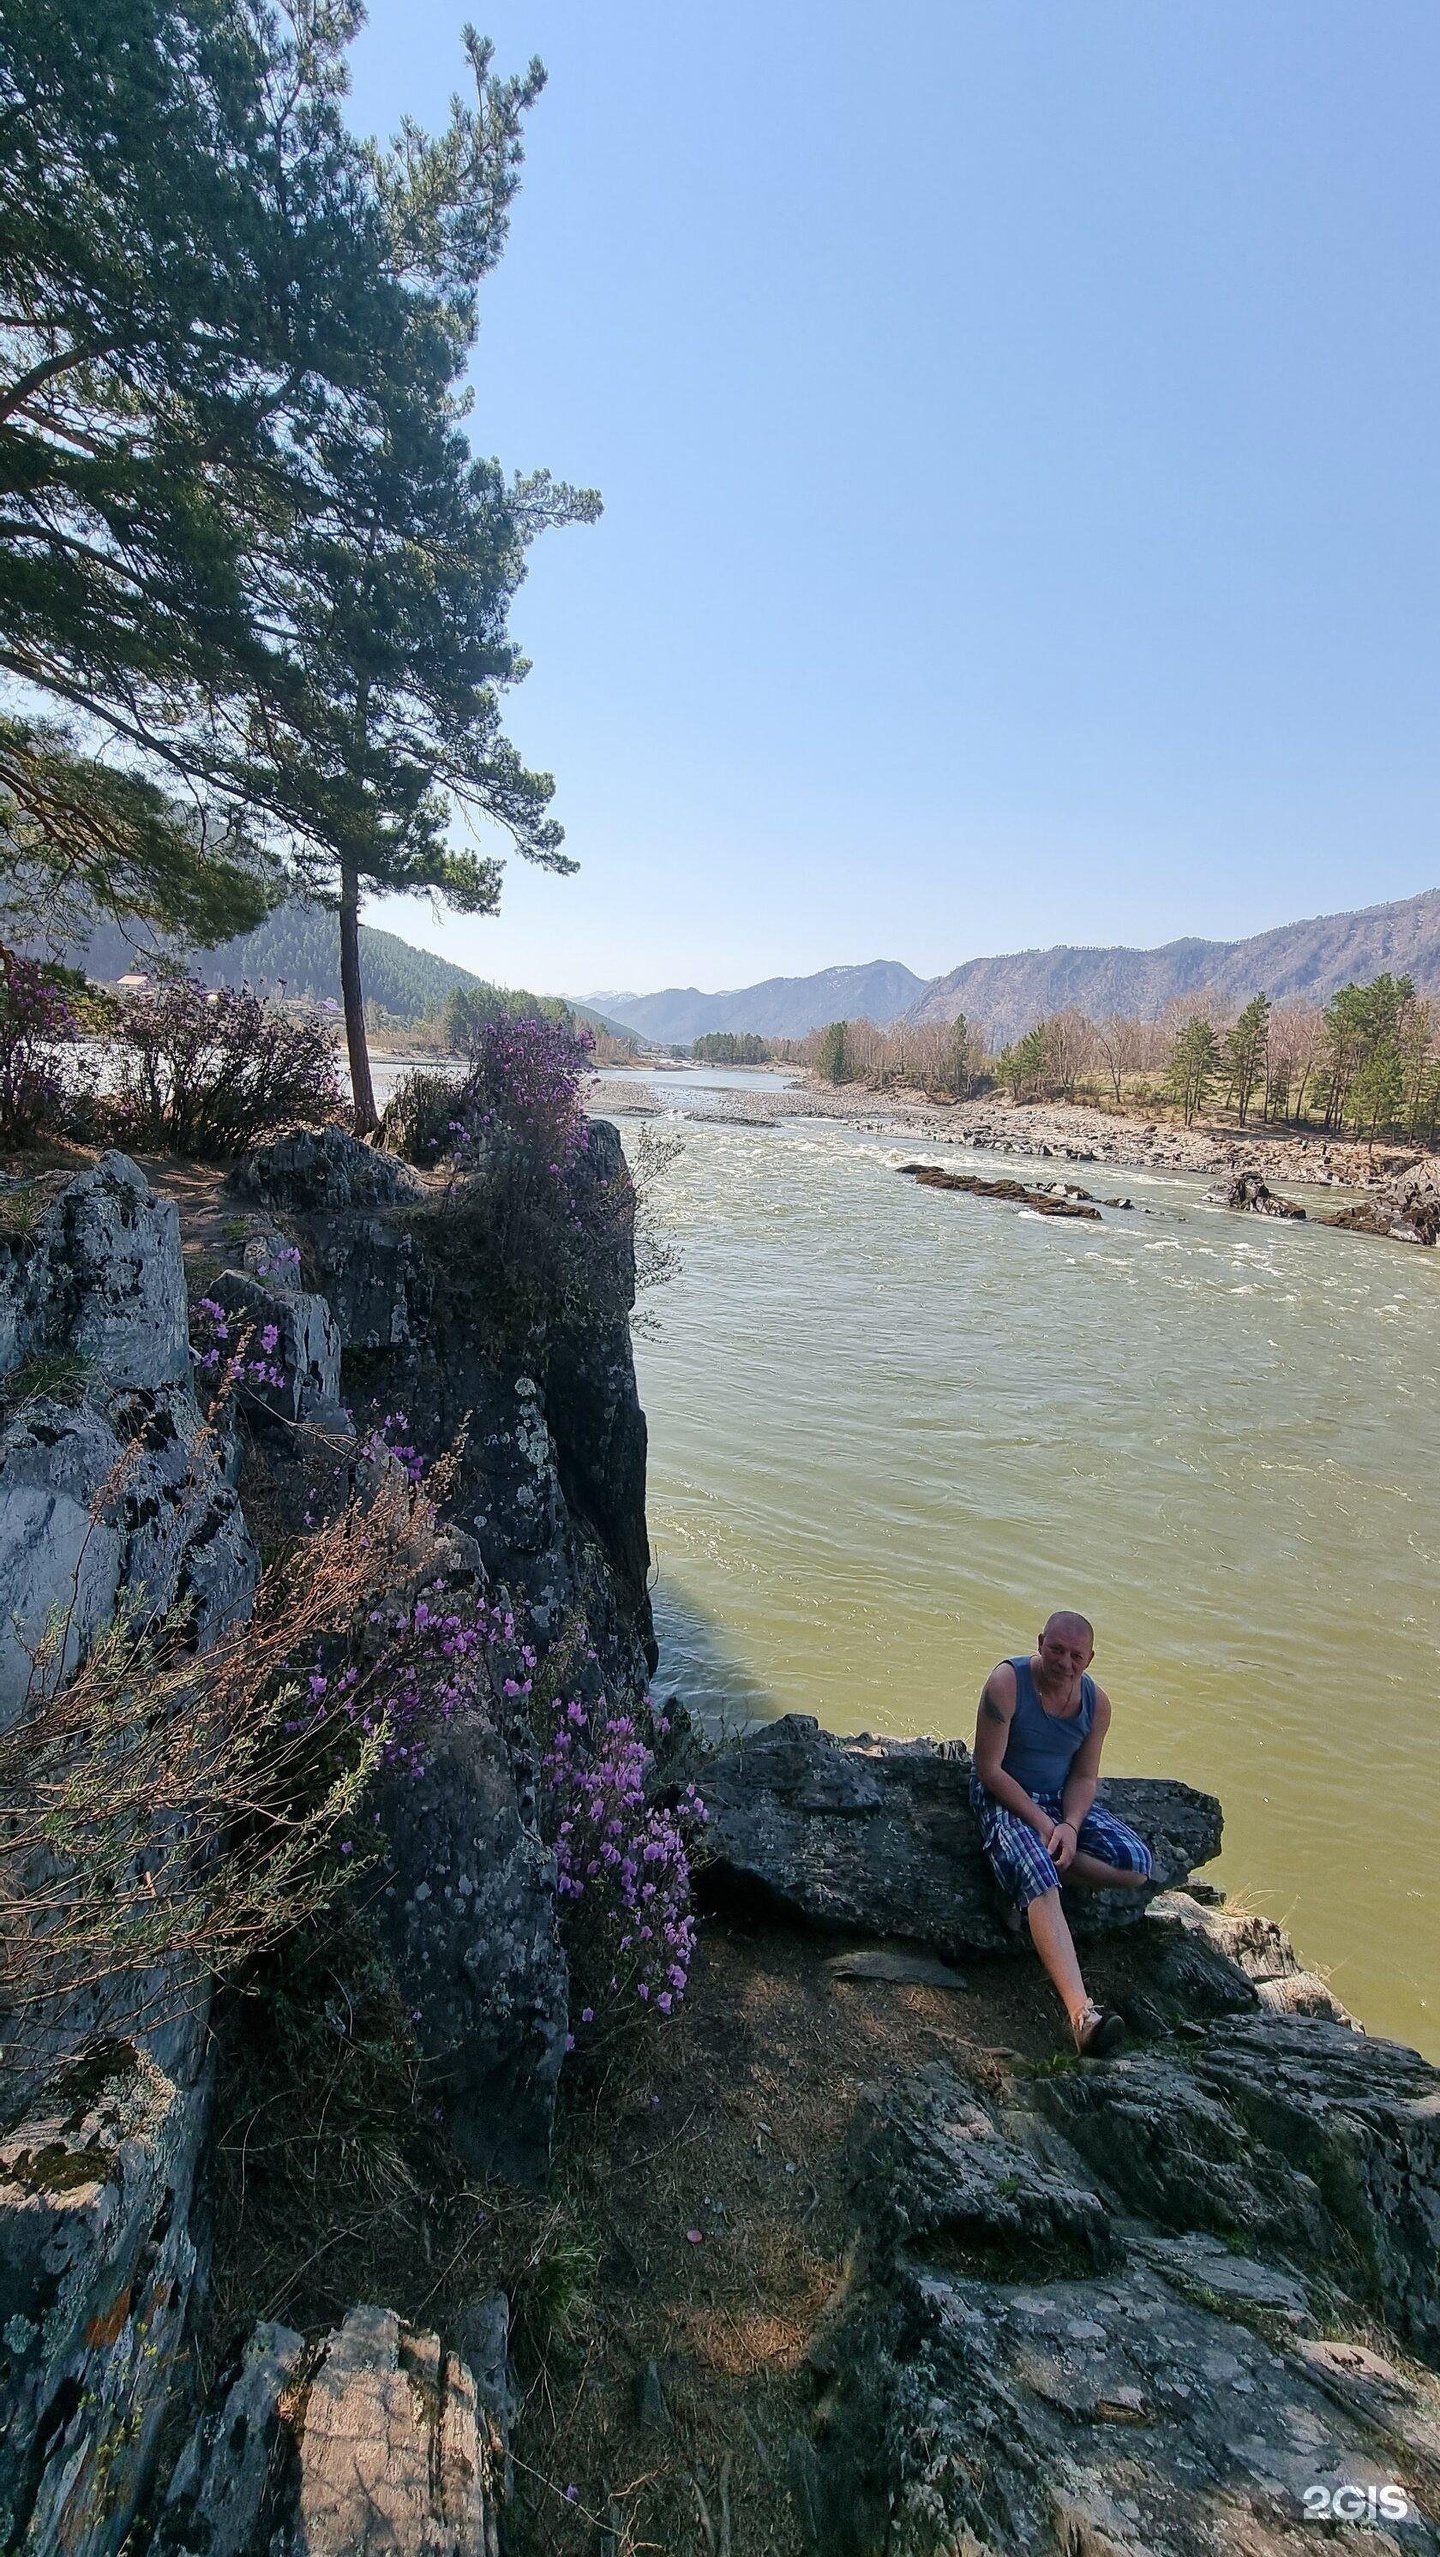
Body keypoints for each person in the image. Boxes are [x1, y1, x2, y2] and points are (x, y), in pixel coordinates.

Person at [972, 1610, 1153, 2056]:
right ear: (1039, 1643)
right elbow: (988, 1769)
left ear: (1090, 1659)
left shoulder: (1097, 1704)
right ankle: (1082, 2017)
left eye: (1076, 1654)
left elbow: (1084, 1777)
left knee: (1137, 1866)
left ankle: (1027, 1877)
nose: (1064, 1662)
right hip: (1005, 1793)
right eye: (1056, 1649)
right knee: (1040, 1873)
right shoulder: (1006, 1684)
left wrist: (1069, 1826)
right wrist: (1043, 1824)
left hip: (1057, 1800)